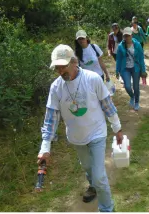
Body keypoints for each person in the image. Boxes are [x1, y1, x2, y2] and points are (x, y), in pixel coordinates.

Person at [38, 45, 122, 211]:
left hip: (97, 132)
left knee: (99, 176)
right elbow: (51, 119)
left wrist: (117, 127)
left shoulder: (92, 79)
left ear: (74, 62)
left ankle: (107, 208)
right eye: (57, 68)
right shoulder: (56, 88)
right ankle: (93, 187)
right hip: (76, 137)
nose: (61, 71)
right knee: (88, 168)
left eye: (64, 66)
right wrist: (45, 147)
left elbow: (107, 105)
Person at [115, 27, 146, 111]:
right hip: (125, 69)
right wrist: (117, 71)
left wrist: (143, 70)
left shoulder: (137, 44)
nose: (127, 37)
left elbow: (141, 59)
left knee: (136, 87)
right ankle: (132, 96)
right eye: (125, 36)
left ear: (132, 35)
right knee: (127, 86)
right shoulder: (121, 46)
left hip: (135, 68)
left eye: (128, 35)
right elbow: (118, 59)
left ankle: (137, 102)